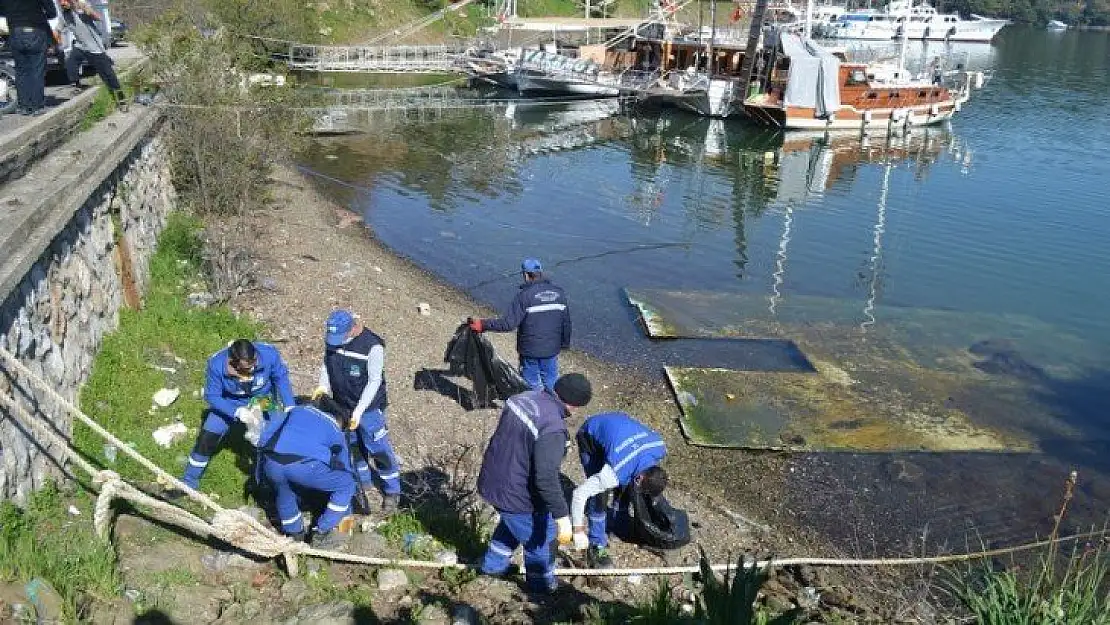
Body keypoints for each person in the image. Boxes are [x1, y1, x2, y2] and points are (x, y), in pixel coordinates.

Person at [476, 373, 593, 594]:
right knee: (541, 539)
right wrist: (562, 516)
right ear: (574, 405)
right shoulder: (553, 428)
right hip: (516, 491)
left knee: (511, 524)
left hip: (493, 479)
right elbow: (546, 478)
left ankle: (492, 567)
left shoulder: (522, 398)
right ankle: (541, 589)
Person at [172, 339, 295, 496]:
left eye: (254, 364)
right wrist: (236, 412)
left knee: (272, 440)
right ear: (233, 362)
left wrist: (290, 406)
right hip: (231, 402)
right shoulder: (217, 364)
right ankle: (189, 482)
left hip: (262, 400)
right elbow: (212, 395)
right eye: (246, 368)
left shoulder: (268, 354)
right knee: (207, 436)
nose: (252, 369)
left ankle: (265, 485)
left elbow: (281, 377)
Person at [313, 309, 401, 515]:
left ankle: (392, 491)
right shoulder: (333, 342)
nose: (335, 343)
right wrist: (323, 386)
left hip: (368, 409)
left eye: (340, 338)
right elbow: (326, 364)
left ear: (353, 328)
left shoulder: (372, 347)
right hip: (341, 404)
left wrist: (360, 411)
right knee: (352, 445)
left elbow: (374, 381)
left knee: (378, 449)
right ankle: (363, 480)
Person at [569, 412, 667, 568]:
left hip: (618, 426)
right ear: (641, 478)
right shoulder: (615, 473)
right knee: (599, 497)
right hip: (590, 435)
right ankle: (597, 544)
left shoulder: (659, 447)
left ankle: (618, 523)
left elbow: (633, 475)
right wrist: (578, 530)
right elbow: (579, 494)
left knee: (627, 486)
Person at [258, 395, 356, 549]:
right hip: (302, 466)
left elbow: (265, 436)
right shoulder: (335, 428)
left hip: (272, 462)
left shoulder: (296, 411)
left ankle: (294, 534)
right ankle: (321, 532)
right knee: (347, 485)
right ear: (338, 418)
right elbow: (344, 465)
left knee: (284, 491)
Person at [468, 258, 571, 393]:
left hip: (530, 350)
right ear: (541, 272)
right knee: (551, 380)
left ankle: (533, 408)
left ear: (526, 275)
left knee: (531, 382)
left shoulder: (524, 296)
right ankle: (556, 406)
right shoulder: (560, 294)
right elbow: (566, 323)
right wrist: (564, 344)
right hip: (551, 349)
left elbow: (508, 324)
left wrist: (483, 324)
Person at [57, 0, 125, 109]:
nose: (62, 3)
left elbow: (98, 17)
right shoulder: (64, 16)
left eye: (65, 1)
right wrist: (55, 43)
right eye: (60, 2)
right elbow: (57, 30)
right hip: (80, 46)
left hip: (95, 48)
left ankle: (121, 98)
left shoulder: (82, 11)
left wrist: (88, 11)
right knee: (71, 63)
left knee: (108, 74)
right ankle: (76, 85)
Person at [1, 0, 57, 115]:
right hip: (35, 30)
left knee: (21, 71)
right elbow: (52, 13)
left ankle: (24, 106)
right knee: (36, 70)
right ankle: (37, 106)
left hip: (15, 31)